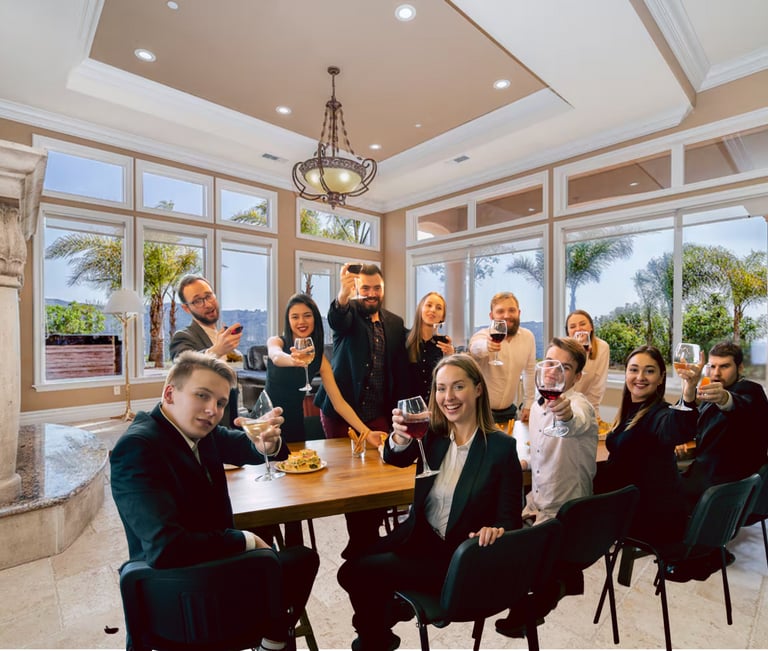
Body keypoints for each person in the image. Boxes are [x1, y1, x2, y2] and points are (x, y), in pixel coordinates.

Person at [110, 351, 319, 651]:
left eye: (220, 403)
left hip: (210, 573)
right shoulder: (137, 448)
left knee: (298, 560)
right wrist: (244, 540)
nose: (212, 410)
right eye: (202, 396)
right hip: (179, 597)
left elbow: (248, 448)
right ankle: (271, 641)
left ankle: (271, 641)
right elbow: (167, 548)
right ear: (170, 393)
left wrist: (268, 444)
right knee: (293, 562)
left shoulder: (198, 432)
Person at [337, 354, 522, 651]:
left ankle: (374, 638)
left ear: (477, 389)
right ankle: (382, 625)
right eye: (440, 388)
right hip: (419, 537)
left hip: (455, 557)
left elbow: (510, 519)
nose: (448, 397)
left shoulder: (501, 448)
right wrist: (398, 438)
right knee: (353, 563)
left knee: (357, 574)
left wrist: (495, 530)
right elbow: (395, 458)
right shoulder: (433, 434)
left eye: (458, 387)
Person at [314, 262, 408, 558]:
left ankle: (367, 537)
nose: (370, 294)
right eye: (365, 289)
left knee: (383, 474)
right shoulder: (350, 314)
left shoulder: (394, 322)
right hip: (341, 411)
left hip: (378, 410)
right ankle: (361, 540)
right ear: (358, 289)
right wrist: (343, 294)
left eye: (376, 288)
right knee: (350, 479)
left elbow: (408, 351)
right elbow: (336, 318)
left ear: (383, 289)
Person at [593, 345, 699, 545]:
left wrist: (689, 391)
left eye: (649, 371)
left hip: (651, 519)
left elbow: (677, 428)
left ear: (661, 378)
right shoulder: (630, 411)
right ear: (626, 373)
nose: (640, 376)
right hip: (636, 505)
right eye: (634, 369)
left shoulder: (660, 413)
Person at [266, 293, 387, 444]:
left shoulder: (319, 358)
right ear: (288, 320)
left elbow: (339, 404)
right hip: (268, 417)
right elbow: (276, 356)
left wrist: (367, 433)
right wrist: (293, 359)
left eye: (307, 315)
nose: (301, 321)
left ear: (315, 318)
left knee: (295, 464)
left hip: (295, 421)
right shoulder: (277, 342)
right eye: (295, 317)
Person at [520, 337, 598, 525]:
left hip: (568, 514)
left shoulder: (580, 406)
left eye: (565, 367)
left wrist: (567, 416)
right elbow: (544, 452)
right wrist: (525, 462)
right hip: (537, 506)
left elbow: (575, 422)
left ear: (577, 377)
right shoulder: (538, 408)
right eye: (549, 363)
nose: (553, 372)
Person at [681, 341, 768, 507]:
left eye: (724, 366)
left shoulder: (752, 391)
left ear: (740, 368)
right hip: (706, 478)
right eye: (712, 366)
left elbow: (741, 407)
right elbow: (692, 427)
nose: (716, 373)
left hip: (724, 491)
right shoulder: (710, 394)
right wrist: (689, 391)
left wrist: (725, 399)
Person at [170, 274, 244, 426]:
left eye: (209, 296)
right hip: (205, 422)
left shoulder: (220, 335)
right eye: (198, 301)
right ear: (186, 308)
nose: (208, 304)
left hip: (229, 419)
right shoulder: (183, 336)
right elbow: (184, 367)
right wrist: (217, 350)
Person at [469, 291, 536, 423]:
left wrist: (529, 404)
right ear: (491, 316)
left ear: (519, 313)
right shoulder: (483, 335)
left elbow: (530, 371)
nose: (507, 315)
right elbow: (474, 348)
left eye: (512, 310)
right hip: (480, 413)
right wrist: (486, 346)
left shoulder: (528, 337)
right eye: (500, 311)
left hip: (510, 412)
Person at [405, 291, 454, 403]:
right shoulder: (403, 340)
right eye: (429, 305)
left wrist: (450, 358)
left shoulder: (444, 346)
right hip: (409, 410)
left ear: (442, 317)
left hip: (436, 408)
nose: (433, 310)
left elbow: (448, 382)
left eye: (438, 308)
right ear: (420, 309)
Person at [566, 309, 610, 420]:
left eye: (582, 324)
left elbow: (598, 385)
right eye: (572, 327)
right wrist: (578, 354)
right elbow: (566, 386)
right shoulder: (563, 351)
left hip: (589, 407)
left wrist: (592, 412)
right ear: (568, 333)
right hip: (564, 405)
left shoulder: (602, 347)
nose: (578, 329)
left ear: (591, 327)